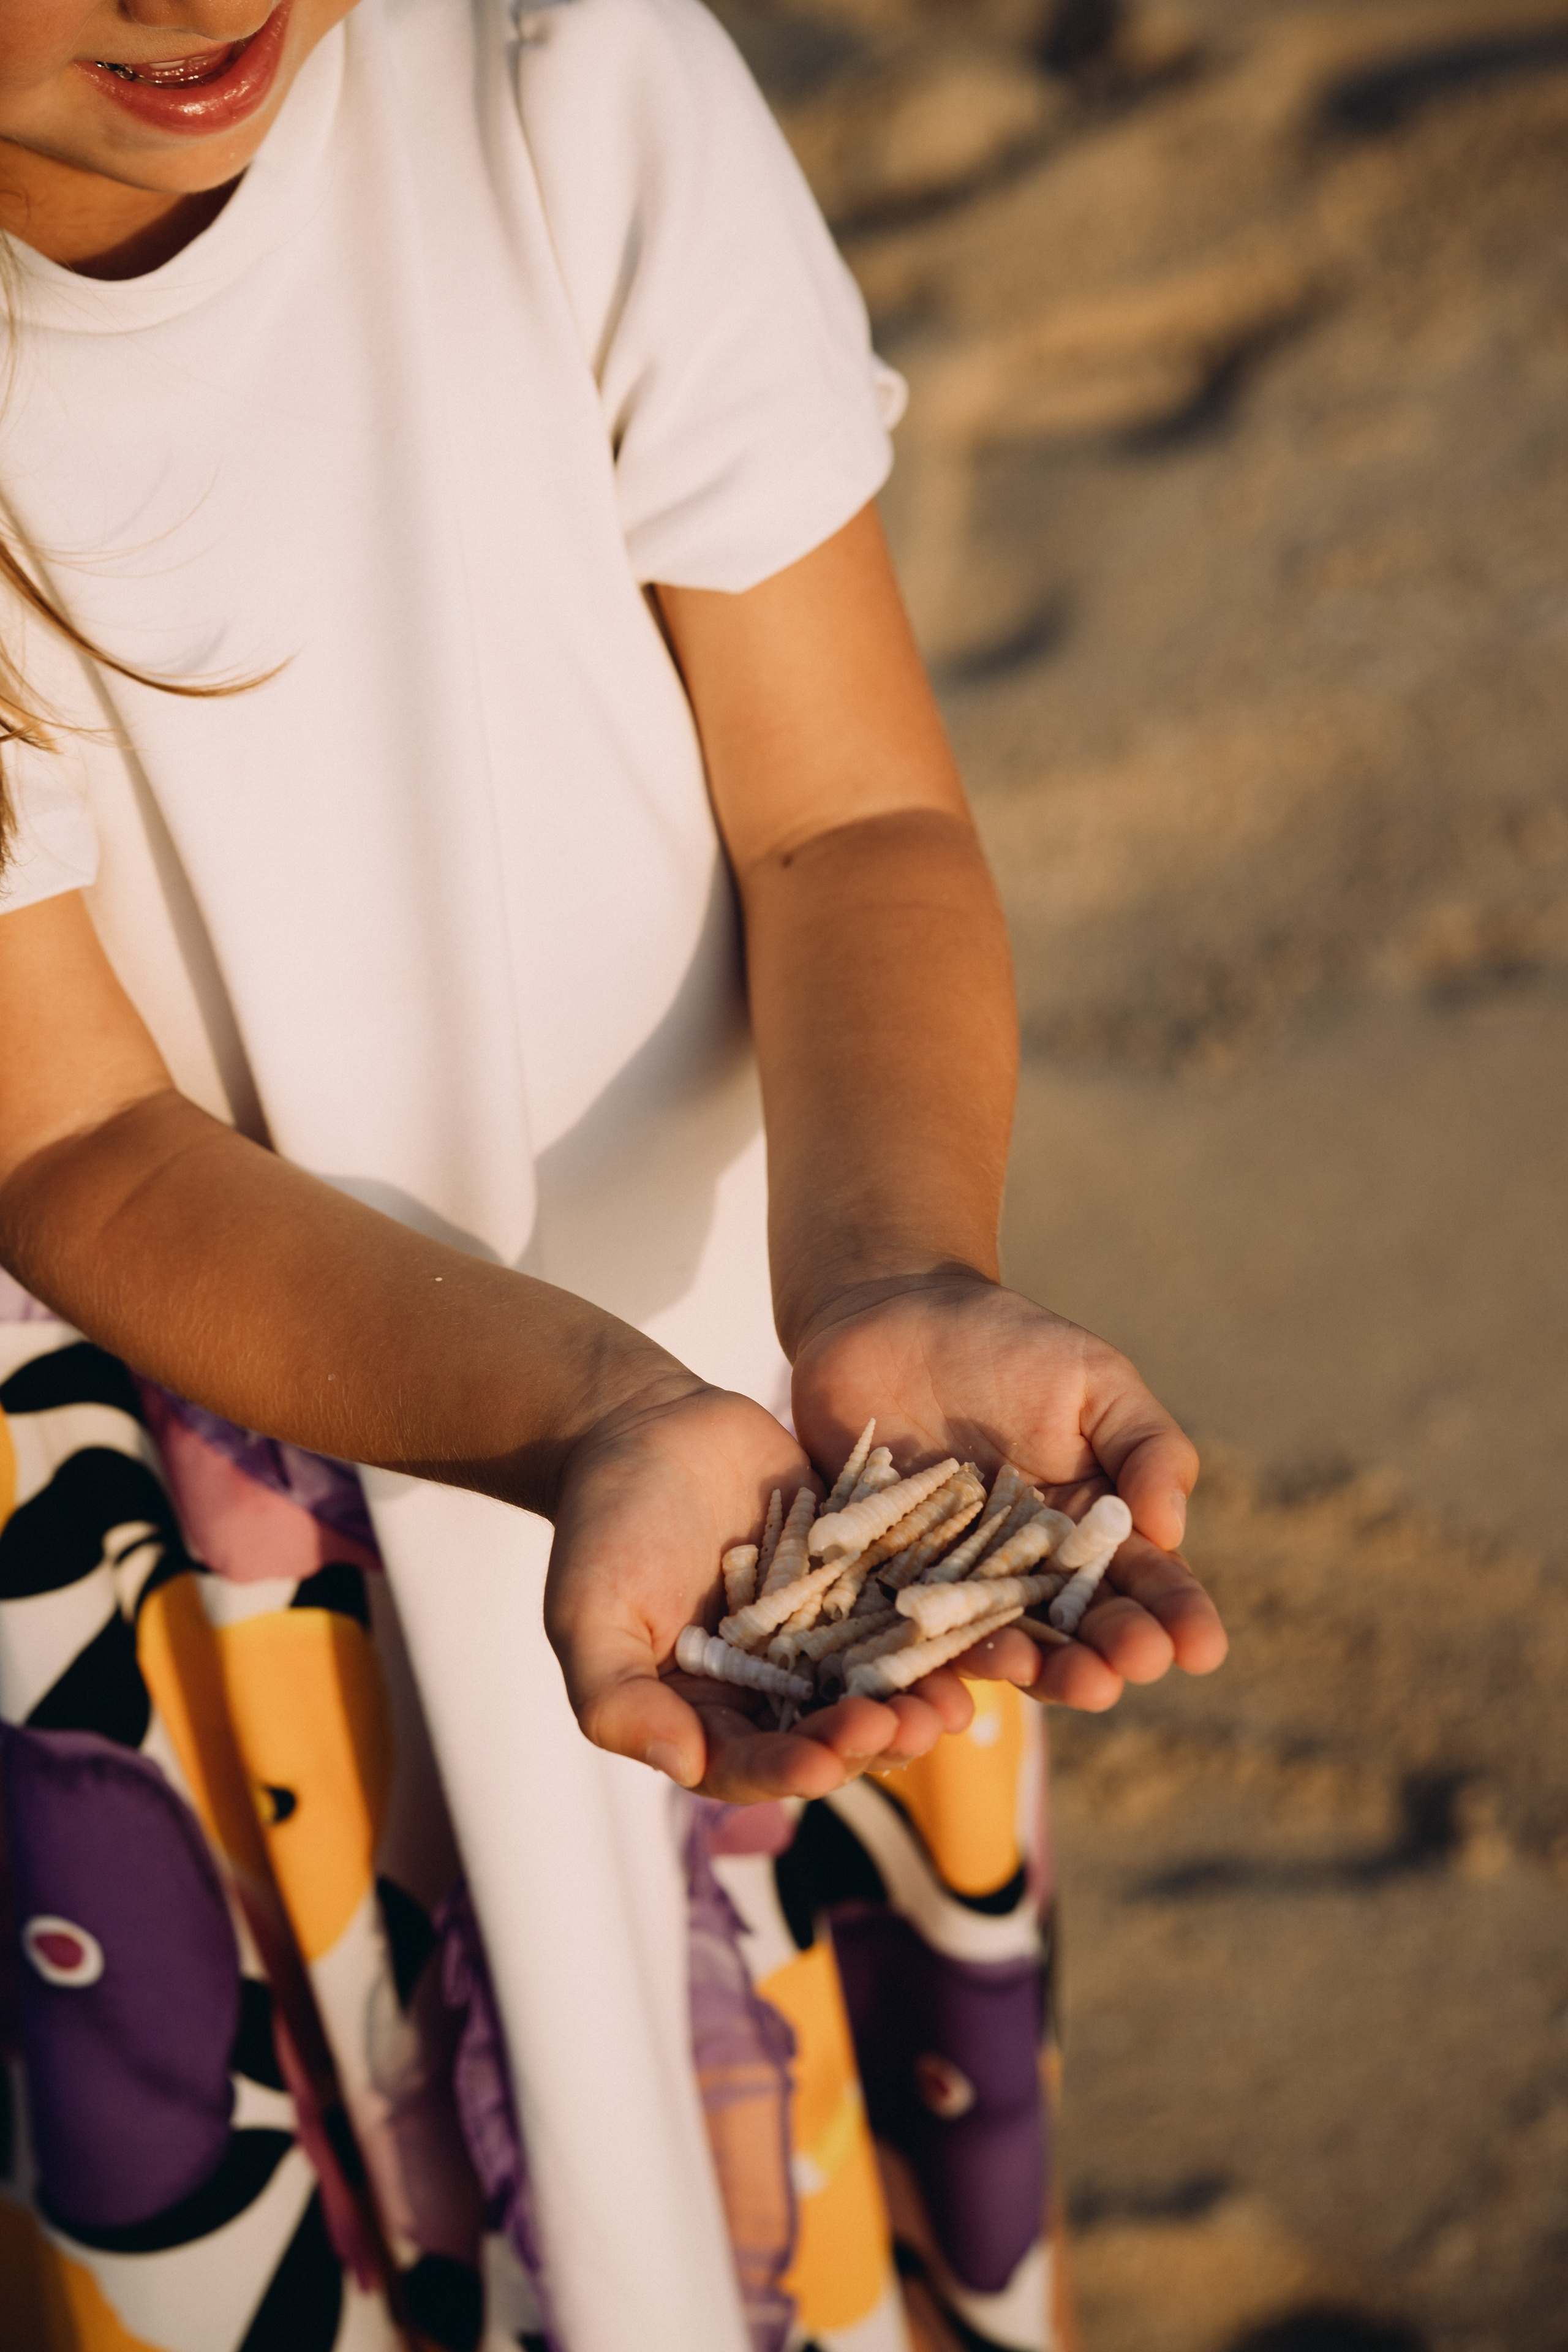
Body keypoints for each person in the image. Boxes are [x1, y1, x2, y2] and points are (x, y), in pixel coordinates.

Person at [0, 3, 1226, 2348]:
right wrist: (573, 1426)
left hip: (767, 1418)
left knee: (770, 2147)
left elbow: (848, 817)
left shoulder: (563, 68)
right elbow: (77, 1138)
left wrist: (895, 1271)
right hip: (224, 1536)